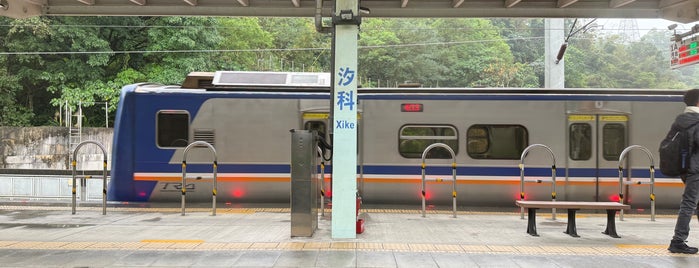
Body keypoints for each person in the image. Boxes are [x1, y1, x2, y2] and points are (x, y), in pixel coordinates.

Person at [669, 88, 699, 254]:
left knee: (695, 203)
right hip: (696, 169)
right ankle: (677, 241)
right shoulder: (697, 120)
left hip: (685, 168)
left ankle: (678, 240)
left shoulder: (681, 119)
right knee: (689, 203)